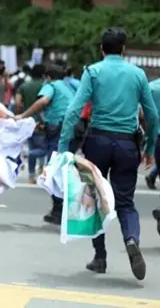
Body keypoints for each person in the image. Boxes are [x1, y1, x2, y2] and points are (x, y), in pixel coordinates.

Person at [57, 28, 158, 281]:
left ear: (102, 49)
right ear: (124, 49)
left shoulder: (93, 71)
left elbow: (73, 111)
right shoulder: (137, 74)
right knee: (125, 202)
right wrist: (151, 148)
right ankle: (131, 239)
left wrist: (62, 148)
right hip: (127, 146)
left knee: (95, 198)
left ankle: (99, 257)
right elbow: (153, 115)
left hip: (98, 143)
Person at [16, 64, 75, 225]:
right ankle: (62, 208)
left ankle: (59, 210)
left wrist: (24, 115)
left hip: (59, 130)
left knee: (54, 169)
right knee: (62, 168)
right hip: (72, 129)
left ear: (47, 77)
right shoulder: (67, 86)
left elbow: (44, 101)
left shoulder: (51, 86)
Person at [15, 64, 46, 184]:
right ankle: (42, 169)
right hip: (42, 122)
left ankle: (31, 175)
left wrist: (20, 116)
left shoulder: (23, 86)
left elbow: (17, 104)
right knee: (43, 148)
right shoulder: (46, 86)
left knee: (32, 147)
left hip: (27, 121)